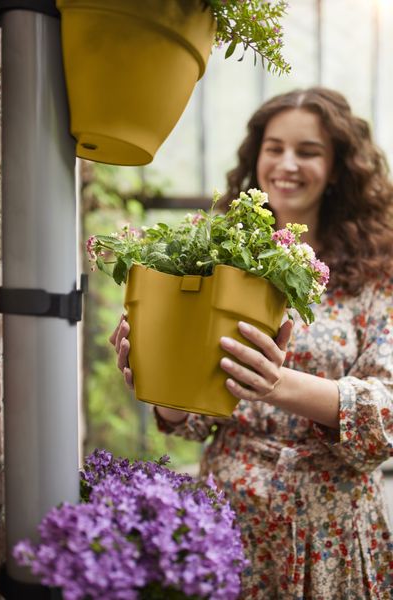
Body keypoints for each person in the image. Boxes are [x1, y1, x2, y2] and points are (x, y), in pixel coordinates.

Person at [110, 87, 393, 599]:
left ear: (339, 167)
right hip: (227, 522)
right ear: (256, 156)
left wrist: (277, 384)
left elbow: (388, 411)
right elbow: (192, 418)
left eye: (308, 151)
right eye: (274, 146)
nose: (287, 163)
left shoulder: (378, 273)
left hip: (329, 532)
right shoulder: (218, 256)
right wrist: (159, 382)